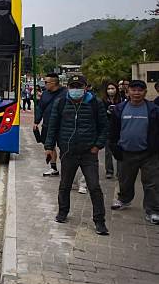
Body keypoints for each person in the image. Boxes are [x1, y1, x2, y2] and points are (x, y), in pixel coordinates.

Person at [44, 74, 109, 235]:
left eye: (79, 86)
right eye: (72, 87)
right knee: (65, 185)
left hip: (89, 153)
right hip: (68, 152)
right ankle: (63, 212)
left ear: (86, 88)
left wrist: (97, 146)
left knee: (94, 187)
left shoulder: (95, 103)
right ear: (68, 87)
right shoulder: (60, 102)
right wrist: (49, 146)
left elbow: (105, 127)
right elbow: (53, 126)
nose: (75, 90)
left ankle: (99, 221)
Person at [109, 80, 159, 225]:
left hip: (149, 154)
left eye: (140, 90)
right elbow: (113, 131)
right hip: (125, 152)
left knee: (152, 183)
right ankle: (124, 200)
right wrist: (114, 147)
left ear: (145, 92)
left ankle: (153, 210)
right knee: (125, 180)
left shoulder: (153, 110)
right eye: (134, 90)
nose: (137, 93)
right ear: (128, 91)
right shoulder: (119, 109)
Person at [34, 73, 66, 176]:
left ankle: (67, 169)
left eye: (46, 82)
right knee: (49, 147)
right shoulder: (45, 94)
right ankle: (53, 168)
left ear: (54, 83)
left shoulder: (65, 93)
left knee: (64, 147)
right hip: (47, 125)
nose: (44, 84)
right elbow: (40, 108)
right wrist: (36, 121)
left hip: (62, 126)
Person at [102, 81, 122, 179]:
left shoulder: (121, 100)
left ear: (116, 89)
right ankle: (109, 171)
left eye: (113, 88)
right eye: (109, 89)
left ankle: (120, 171)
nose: (111, 91)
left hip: (119, 128)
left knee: (120, 150)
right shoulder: (103, 101)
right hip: (108, 128)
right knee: (108, 152)